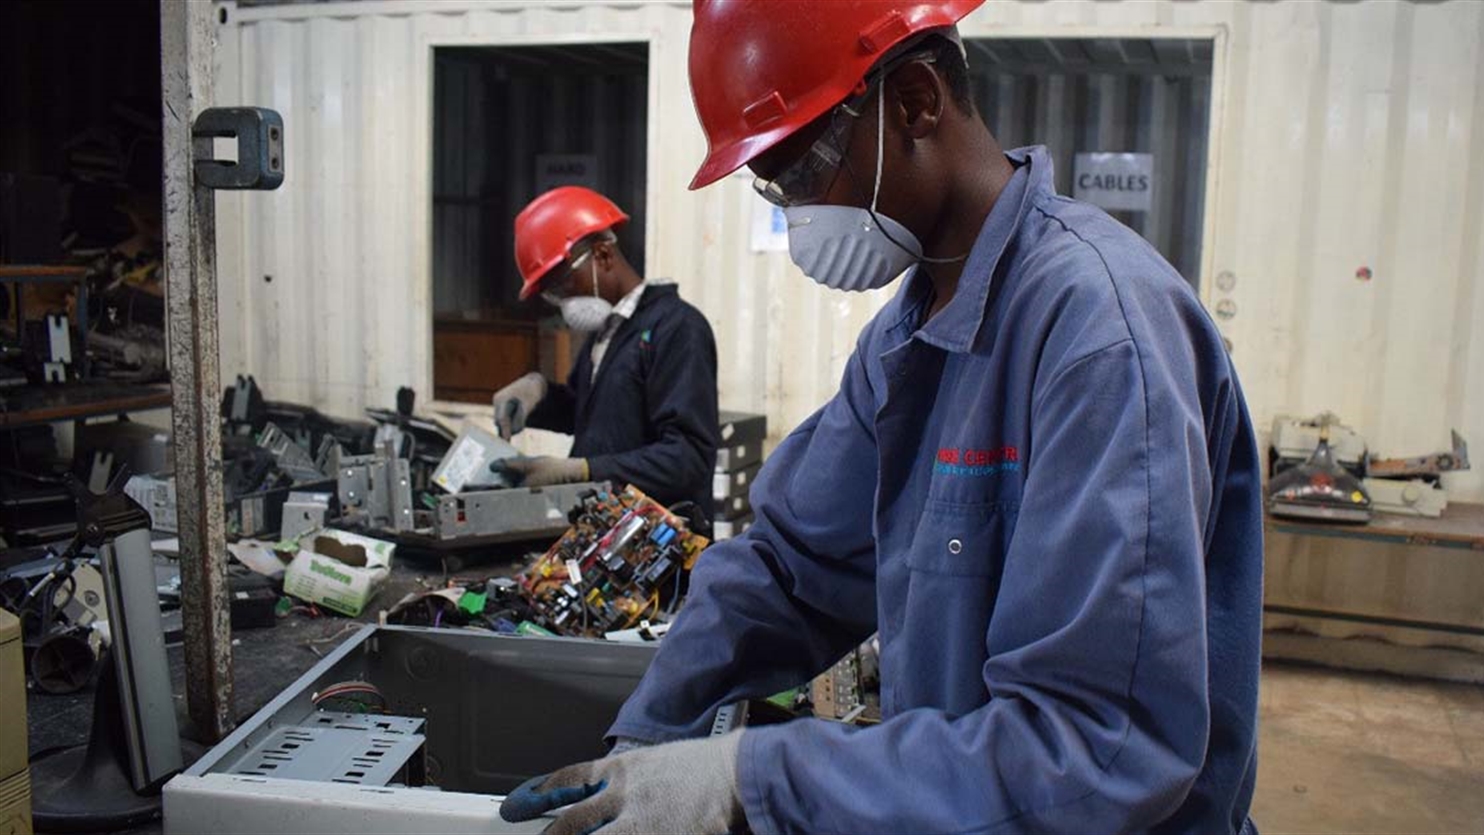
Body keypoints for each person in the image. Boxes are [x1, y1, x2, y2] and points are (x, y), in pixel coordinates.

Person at [499, 1, 1264, 833]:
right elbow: (789, 569)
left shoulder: (1098, 334)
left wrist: (752, 779)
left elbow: (1097, 751)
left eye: (802, 170)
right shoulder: (908, 339)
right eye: (775, 185)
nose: (795, 216)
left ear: (915, 102)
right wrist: (645, 741)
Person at [491, 186, 719, 522]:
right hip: (606, 529)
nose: (563, 300)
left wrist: (583, 470)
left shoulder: (677, 328)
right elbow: (598, 415)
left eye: (563, 283)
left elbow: (688, 458)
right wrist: (538, 394)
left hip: (658, 544)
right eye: (552, 294)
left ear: (603, 255)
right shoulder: (611, 330)